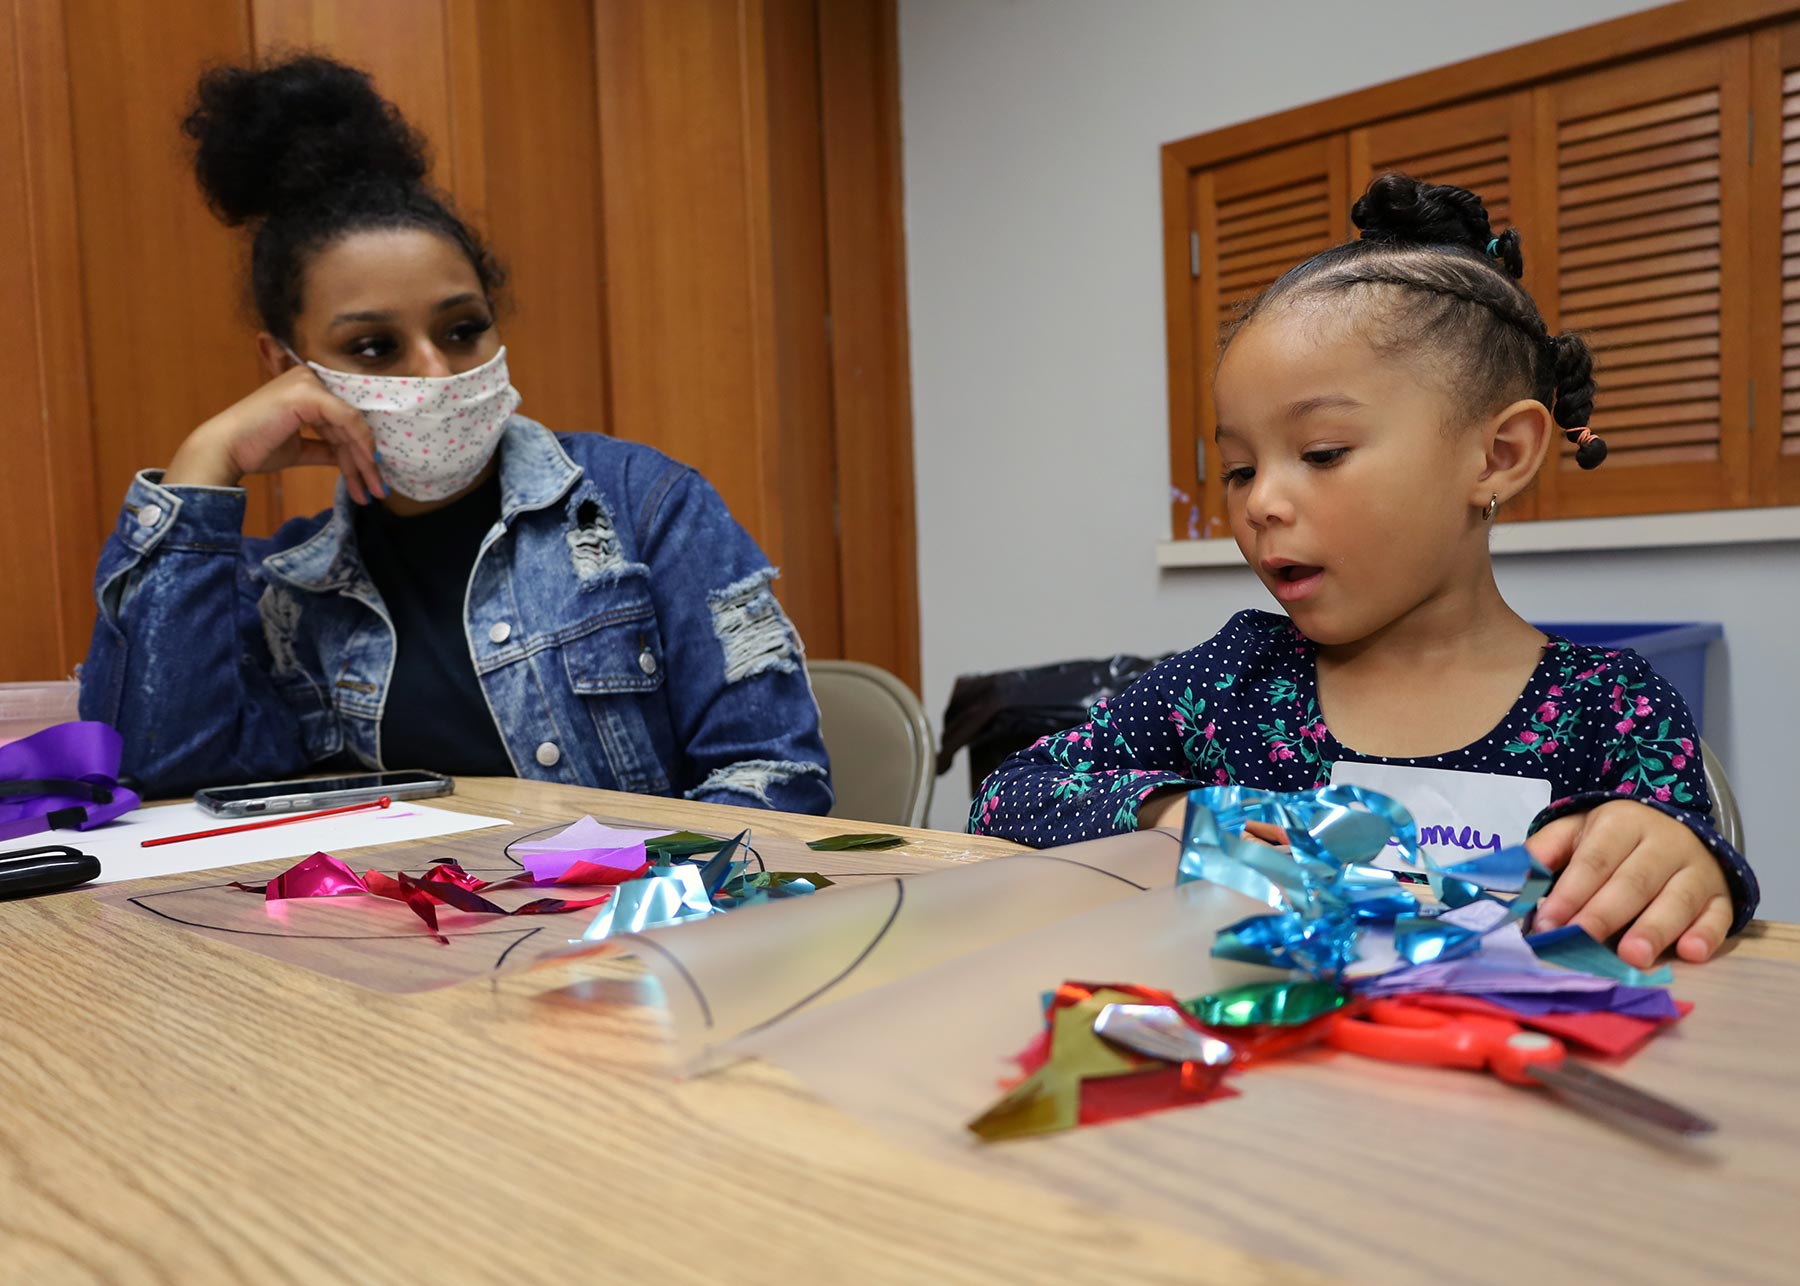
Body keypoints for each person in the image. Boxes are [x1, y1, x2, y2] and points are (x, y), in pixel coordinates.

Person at [970, 174, 1756, 969]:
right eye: (1240, 469)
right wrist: (1177, 811)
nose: (1262, 502)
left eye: (1322, 454)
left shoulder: (1611, 709)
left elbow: (1690, 904)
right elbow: (1009, 794)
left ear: (1498, 455)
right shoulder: (1229, 682)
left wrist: (1682, 861)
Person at [77, 55, 831, 814]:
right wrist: (208, 461)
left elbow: (773, 781)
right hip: (379, 932)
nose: (435, 370)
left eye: (462, 329)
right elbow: (160, 769)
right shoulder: (283, 596)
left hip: (636, 927)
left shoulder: (644, 508)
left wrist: (626, 915)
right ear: (286, 366)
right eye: (375, 347)